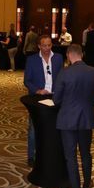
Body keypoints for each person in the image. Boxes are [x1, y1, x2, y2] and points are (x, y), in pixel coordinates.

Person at [53, 44, 94, 188]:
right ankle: (87, 183)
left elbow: (56, 99)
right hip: (86, 119)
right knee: (86, 153)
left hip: (68, 120)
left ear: (68, 55)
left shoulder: (64, 72)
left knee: (71, 156)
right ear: (82, 54)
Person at [23, 34, 64, 166]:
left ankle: (50, 155)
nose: (47, 48)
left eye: (49, 45)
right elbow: (27, 81)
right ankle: (31, 156)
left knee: (54, 128)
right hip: (37, 97)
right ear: (39, 46)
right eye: (44, 45)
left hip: (54, 97)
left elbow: (61, 77)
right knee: (34, 128)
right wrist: (37, 90)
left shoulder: (58, 58)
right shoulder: (32, 59)